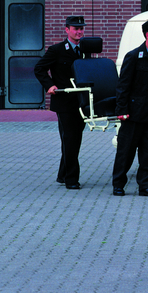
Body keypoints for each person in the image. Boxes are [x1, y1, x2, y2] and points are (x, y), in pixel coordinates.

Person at [112, 17, 148, 197]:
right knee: (126, 152)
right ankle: (118, 185)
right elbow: (123, 87)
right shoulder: (133, 56)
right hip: (133, 115)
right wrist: (121, 111)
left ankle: (146, 187)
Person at [34, 16, 88, 190]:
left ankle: (62, 174)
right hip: (64, 102)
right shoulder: (57, 50)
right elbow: (39, 68)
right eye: (75, 28)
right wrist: (49, 85)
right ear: (67, 30)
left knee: (73, 138)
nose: (79, 31)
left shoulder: (85, 50)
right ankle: (72, 179)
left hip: (81, 101)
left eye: (81, 28)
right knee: (70, 138)